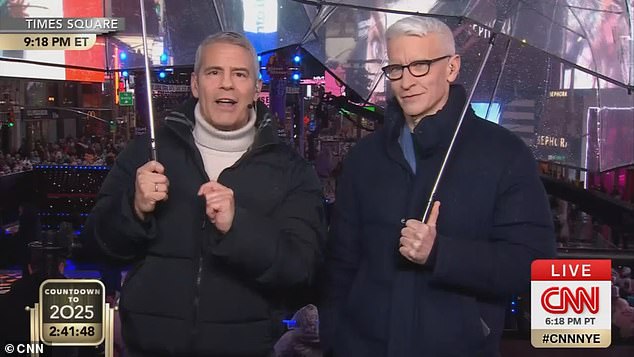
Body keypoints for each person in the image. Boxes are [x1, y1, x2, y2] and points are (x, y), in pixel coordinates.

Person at [320, 16, 556, 356]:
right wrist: (336, 339)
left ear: (452, 67)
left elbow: (533, 264)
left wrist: (441, 253)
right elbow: (340, 265)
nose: (406, 81)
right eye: (396, 69)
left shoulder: (503, 154)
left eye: (420, 65)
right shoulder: (365, 159)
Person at [85, 32, 326, 356]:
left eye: (239, 74)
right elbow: (96, 245)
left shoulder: (292, 170)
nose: (226, 84)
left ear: (256, 89)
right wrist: (134, 208)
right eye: (214, 72)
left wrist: (238, 227)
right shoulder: (147, 153)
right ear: (196, 84)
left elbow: (303, 270)